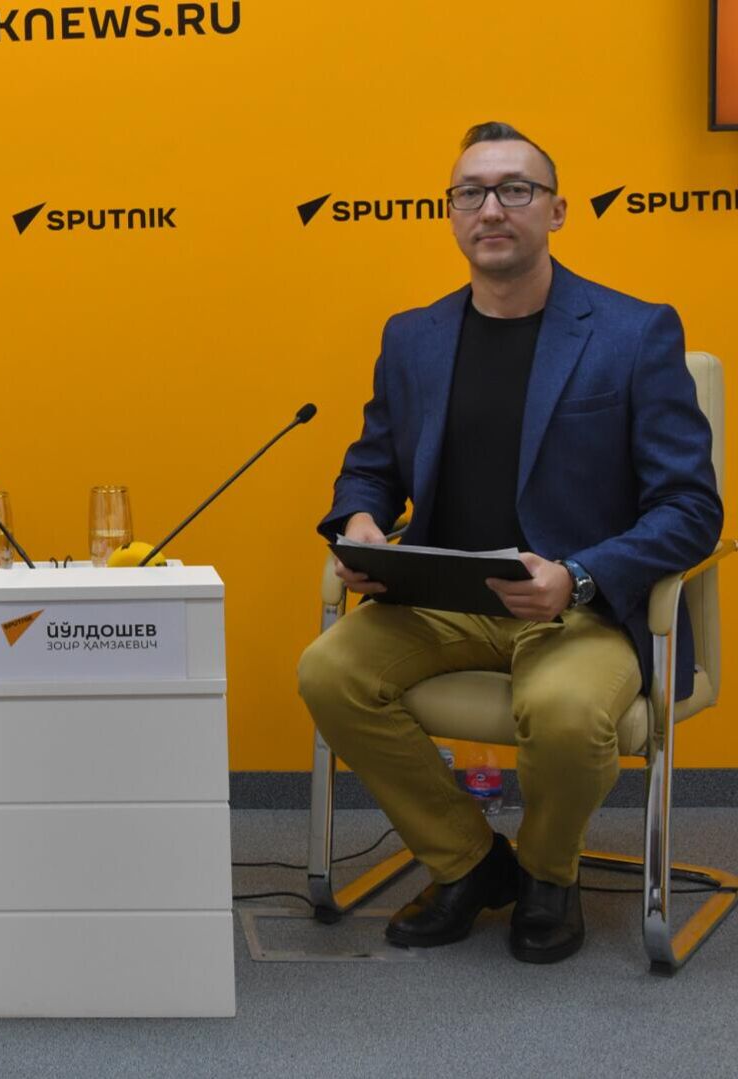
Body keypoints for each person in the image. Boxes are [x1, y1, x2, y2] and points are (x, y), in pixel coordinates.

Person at [298, 123, 721, 964]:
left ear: (557, 210)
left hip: (580, 609)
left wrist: (579, 576)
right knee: (328, 671)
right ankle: (469, 862)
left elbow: (690, 508)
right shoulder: (413, 336)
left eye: (515, 189)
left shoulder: (635, 333)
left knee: (564, 711)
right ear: (451, 213)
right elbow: (370, 468)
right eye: (471, 193)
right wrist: (360, 525)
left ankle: (547, 873)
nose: (491, 208)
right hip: (444, 600)